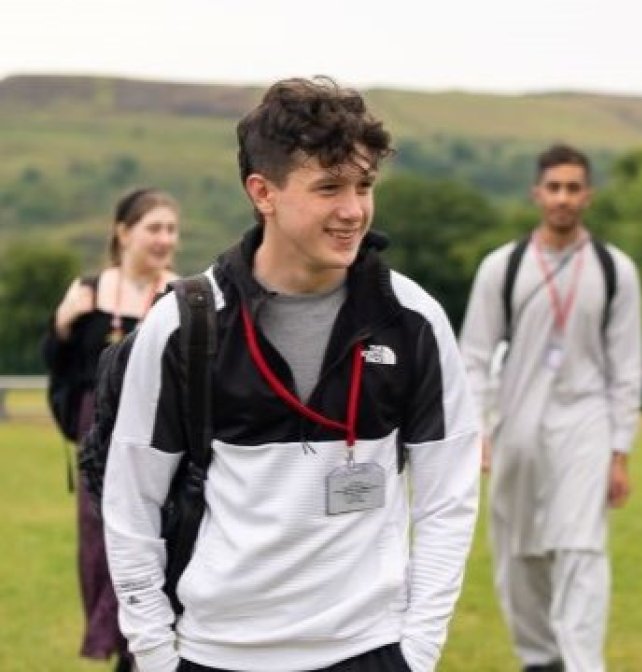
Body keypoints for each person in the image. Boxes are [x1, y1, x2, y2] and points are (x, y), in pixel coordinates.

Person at [102, 77, 480, 672]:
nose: (353, 209)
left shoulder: (412, 319)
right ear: (263, 192)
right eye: (329, 187)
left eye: (364, 185)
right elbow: (130, 502)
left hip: (369, 652)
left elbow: (448, 497)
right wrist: (154, 654)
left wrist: (418, 650)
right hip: (215, 655)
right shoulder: (183, 324)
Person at [459, 144, 642, 672]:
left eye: (574, 187)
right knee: (519, 550)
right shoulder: (503, 266)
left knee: (581, 548)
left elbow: (626, 366)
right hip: (516, 425)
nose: (563, 198)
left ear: (588, 195)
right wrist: (480, 431)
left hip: (586, 423)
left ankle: (583, 663)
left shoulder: (614, 270)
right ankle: (539, 659)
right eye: (554, 187)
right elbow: (473, 354)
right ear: (537, 193)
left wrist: (619, 452)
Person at [43, 187, 181, 671]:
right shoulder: (87, 291)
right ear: (123, 233)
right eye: (154, 228)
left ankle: (151, 647)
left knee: (162, 538)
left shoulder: (183, 297)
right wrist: (63, 323)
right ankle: (122, 649)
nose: (165, 239)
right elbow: (61, 367)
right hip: (98, 445)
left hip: (162, 440)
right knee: (103, 544)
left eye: (171, 229)